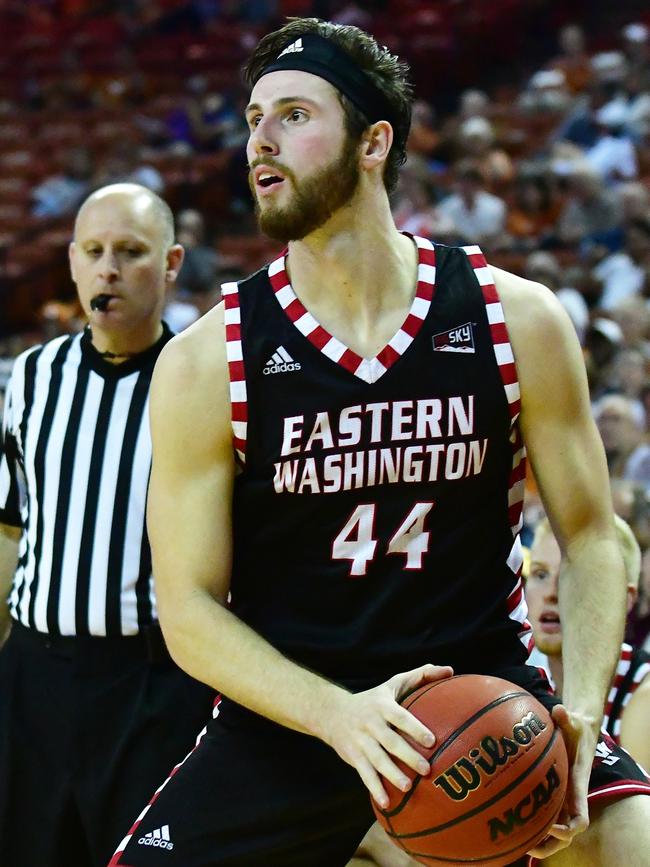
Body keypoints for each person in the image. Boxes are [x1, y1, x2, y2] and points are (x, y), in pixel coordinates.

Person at [110, 20, 650, 867]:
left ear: (374, 142)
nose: (261, 139)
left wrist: (580, 711)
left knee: (631, 843)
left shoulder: (517, 318)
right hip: (295, 720)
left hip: (483, 702)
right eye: (254, 118)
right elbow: (187, 610)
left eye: (293, 114)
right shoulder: (208, 360)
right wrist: (340, 716)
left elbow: (588, 535)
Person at [0, 183, 216, 867]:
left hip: (154, 681)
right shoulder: (31, 378)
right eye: (93, 252)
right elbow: (8, 527)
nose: (109, 269)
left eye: (131, 251)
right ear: (70, 262)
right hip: (36, 676)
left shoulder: (205, 385)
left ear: (173, 261)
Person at [527, 515, 650, 772]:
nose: (550, 592)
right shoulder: (521, 679)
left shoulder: (643, 697)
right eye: (540, 574)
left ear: (623, 600)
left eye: (572, 577)